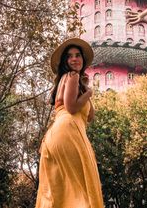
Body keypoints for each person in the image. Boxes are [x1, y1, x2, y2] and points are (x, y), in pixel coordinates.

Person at [35, 38, 104, 208]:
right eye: (70, 56)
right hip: (69, 132)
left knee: (60, 193)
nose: (74, 59)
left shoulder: (67, 81)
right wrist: (88, 94)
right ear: (66, 62)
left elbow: (89, 116)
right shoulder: (72, 76)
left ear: (83, 59)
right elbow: (72, 108)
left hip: (56, 136)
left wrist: (85, 90)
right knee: (81, 193)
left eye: (78, 55)